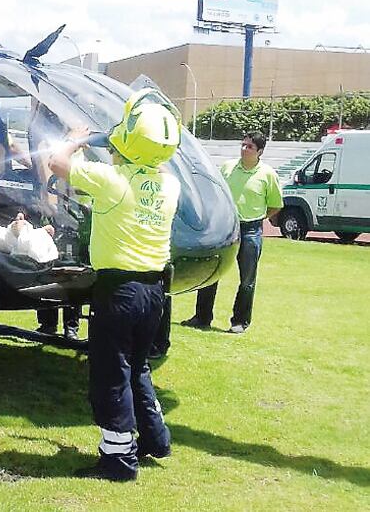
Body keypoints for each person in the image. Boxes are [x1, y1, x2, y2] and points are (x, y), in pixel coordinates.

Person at [49, 89, 182, 481]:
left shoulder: (112, 181)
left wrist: (77, 137)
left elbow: (58, 162)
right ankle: (156, 438)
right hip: (155, 291)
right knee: (137, 366)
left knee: (110, 373)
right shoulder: (169, 184)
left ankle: (118, 458)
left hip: (119, 290)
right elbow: (129, 169)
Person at [181, 131, 283, 334]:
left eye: (250, 147)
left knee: (247, 279)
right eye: (243, 145)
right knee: (211, 271)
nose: (244, 149)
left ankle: (240, 321)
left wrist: (257, 217)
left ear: (259, 151)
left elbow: (275, 205)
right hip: (226, 226)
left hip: (251, 229)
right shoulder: (227, 168)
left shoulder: (268, 174)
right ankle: (202, 317)